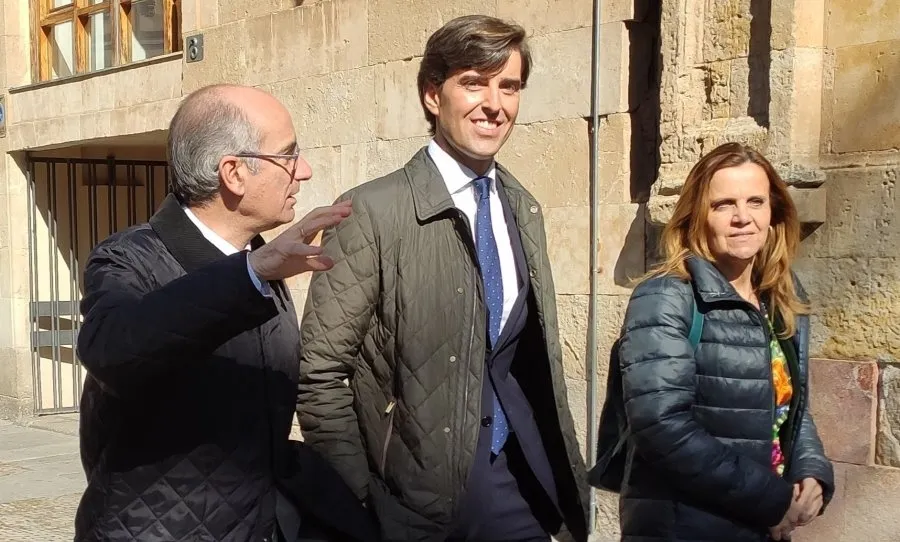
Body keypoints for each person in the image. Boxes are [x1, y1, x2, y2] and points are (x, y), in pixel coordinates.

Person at [297, 14, 589, 542]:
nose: (494, 105)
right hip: (416, 507)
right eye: (473, 84)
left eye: (509, 87)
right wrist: (363, 496)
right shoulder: (372, 212)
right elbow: (318, 373)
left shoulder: (523, 209)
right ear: (434, 95)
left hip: (518, 486)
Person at [75, 84, 376, 542]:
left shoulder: (259, 260)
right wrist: (250, 274)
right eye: (288, 156)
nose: (305, 171)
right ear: (233, 173)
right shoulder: (127, 258)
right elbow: (112, 349)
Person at [595, 142, 834, 541]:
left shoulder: (781, 296)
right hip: (686, 527)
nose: (743, 218)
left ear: (774, 211)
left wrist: (814, 472)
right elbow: (661, 426)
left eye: (755, 201)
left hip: (762, 526)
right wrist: (772, 501)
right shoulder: (666, 297)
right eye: (723, 204)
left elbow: (790, 405)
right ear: (697, 216)